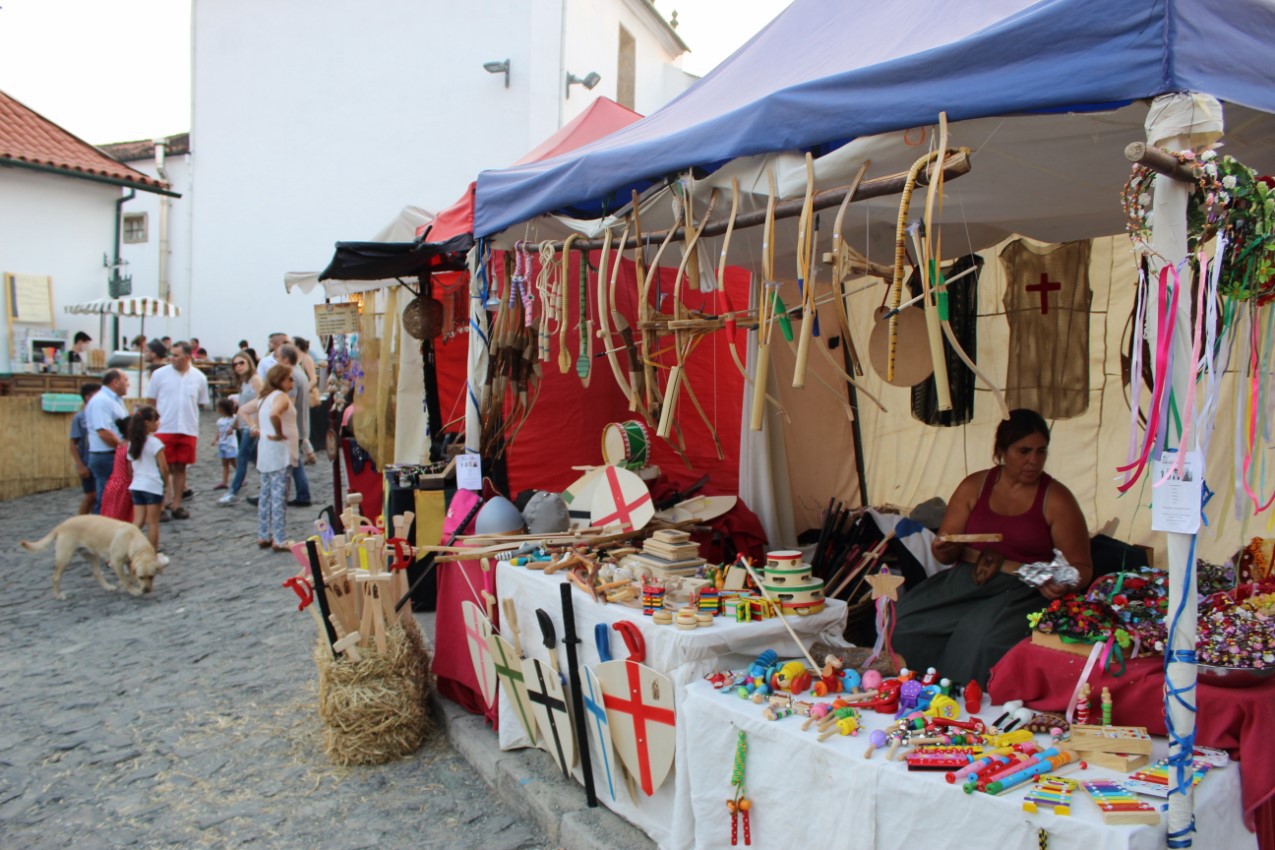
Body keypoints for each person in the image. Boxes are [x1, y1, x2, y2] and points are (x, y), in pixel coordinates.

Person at [892, 409, 1092, 687]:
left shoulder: (1056, 499)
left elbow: (1082, 567)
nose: (1034, 461)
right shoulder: (974, 486)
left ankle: (961, 708)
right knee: (905, 623)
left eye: (1041, 451)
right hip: (968, 581)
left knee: (978, 638)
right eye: (1023, 451)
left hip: (1023, 590)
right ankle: (911, 691)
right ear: (1001, 451)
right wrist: (945, 547)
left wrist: (1062, 583)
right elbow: (946, 552)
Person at [146, 341, 209, 520]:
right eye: (171, 355)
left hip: (188, 428)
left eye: (176, 355)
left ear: (187, 357)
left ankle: (177, 504)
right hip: (165, 427)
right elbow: (151, 400)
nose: (171, 358)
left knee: (181, 468)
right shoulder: (159, 375)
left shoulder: (199, 377)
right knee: (162, 468)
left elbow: (201, 402)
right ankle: (162, 504)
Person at [245, 365, 297, 551]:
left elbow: (243, 410)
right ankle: (280, 538)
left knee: (266, 495)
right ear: (281, 380)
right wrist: (278, 433)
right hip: (279, 452)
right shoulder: (281, 397)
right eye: (290, 378)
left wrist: (253, 427)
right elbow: (274, 413)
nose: (293, 382)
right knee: (279, 497)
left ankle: (263, 534)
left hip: (265, 451)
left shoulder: (263, 397)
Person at [82, 369, 130, 513]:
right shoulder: (101, 401)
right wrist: (122, 448)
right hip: (106, 455)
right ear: (115, 382)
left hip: (112, 454)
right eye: (126, 380)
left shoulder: (115, 400)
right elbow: (103, 431)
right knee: (106, 499)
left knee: (116, 498)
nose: (128, 384)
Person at [219, 351, 261, 505]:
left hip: (251, 427)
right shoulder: (245, 382)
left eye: (241, 363)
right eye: (235, 364)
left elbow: (262, 402)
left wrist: (256, 425)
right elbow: (243, 407)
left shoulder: (256, 380)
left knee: (243, 458)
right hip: (245, 426)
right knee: (254, 460)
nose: (238, 367)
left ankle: (233, 491)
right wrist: (234, 424)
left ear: (249, 362)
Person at [126, 406, 169, 553]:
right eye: (156, 421)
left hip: (137, 485)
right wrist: (165, 485)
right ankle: (152, 553)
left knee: (137, 521)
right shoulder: (155, 443)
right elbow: (164, 468)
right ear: (147, 423)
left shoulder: (132, 443)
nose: (158, 423)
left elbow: (130, 467)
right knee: (152, 523)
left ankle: (123, 548)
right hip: (152, 486)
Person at [274, 344, 312, 506]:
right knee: (294, 462)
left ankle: (302, 495)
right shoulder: (299, 373)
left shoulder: (292, 376)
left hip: (292, 426)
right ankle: (299, 494)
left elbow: (289, 403)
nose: (275, 360)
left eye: (277, 356)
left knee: (294, 463)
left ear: (285, 359)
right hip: (298, 425)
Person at [69, 382, 102, 515]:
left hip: (99, 460)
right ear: (88, 397)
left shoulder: (101, 414)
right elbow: (72, 443)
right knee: (90, 496)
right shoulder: (80, 418)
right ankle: (78, 523)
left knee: (99, 496)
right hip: (86, 462)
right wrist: (79, 464)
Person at [211, 398, 239, 489]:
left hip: (230, 444)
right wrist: (215, 439)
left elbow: (238, 427)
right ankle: (224, 481)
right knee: (225, 463)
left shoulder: (234, 418)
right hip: (222, 443)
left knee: (233, 462)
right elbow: (218, 431)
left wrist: (233, 429)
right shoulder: (220, 421)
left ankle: (241, 478)